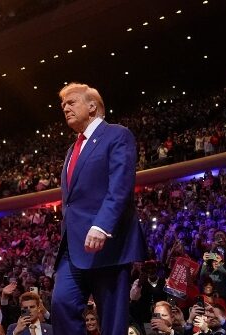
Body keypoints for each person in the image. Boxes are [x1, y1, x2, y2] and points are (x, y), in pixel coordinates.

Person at [52, 83, 146, 335]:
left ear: (92, 106)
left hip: (108, 243)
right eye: (63, 105)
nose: (65, 108)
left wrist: (102, 225)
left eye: (71, 102)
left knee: (113, 320)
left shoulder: (117, 135)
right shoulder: (73, 149)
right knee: (61, 302)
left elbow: (120, 185)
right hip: (73, 246)